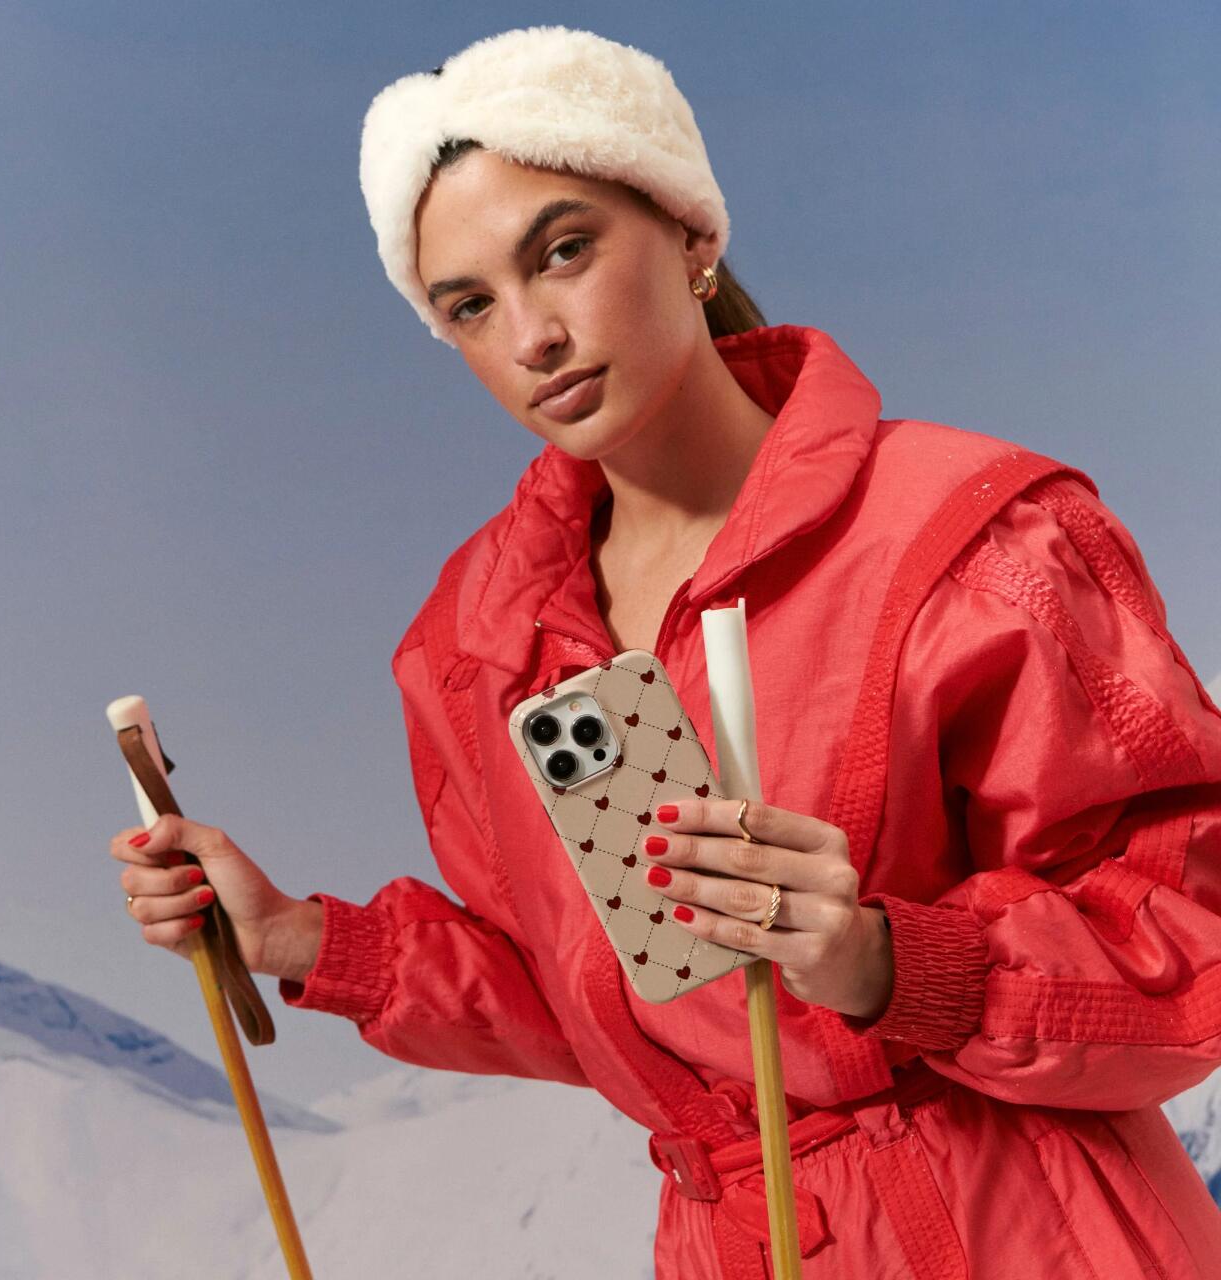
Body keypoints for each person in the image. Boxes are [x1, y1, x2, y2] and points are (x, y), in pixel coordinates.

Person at [109, 26, 1221, 1278]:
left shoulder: (971, 542)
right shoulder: (481, 645)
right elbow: (604, 997)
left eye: (562, 251)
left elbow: (1189, 935)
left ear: (692, 233)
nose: (530, 335)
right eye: (469, 305)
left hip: (1026, 1234)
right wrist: (301, 938)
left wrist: (881, 960)